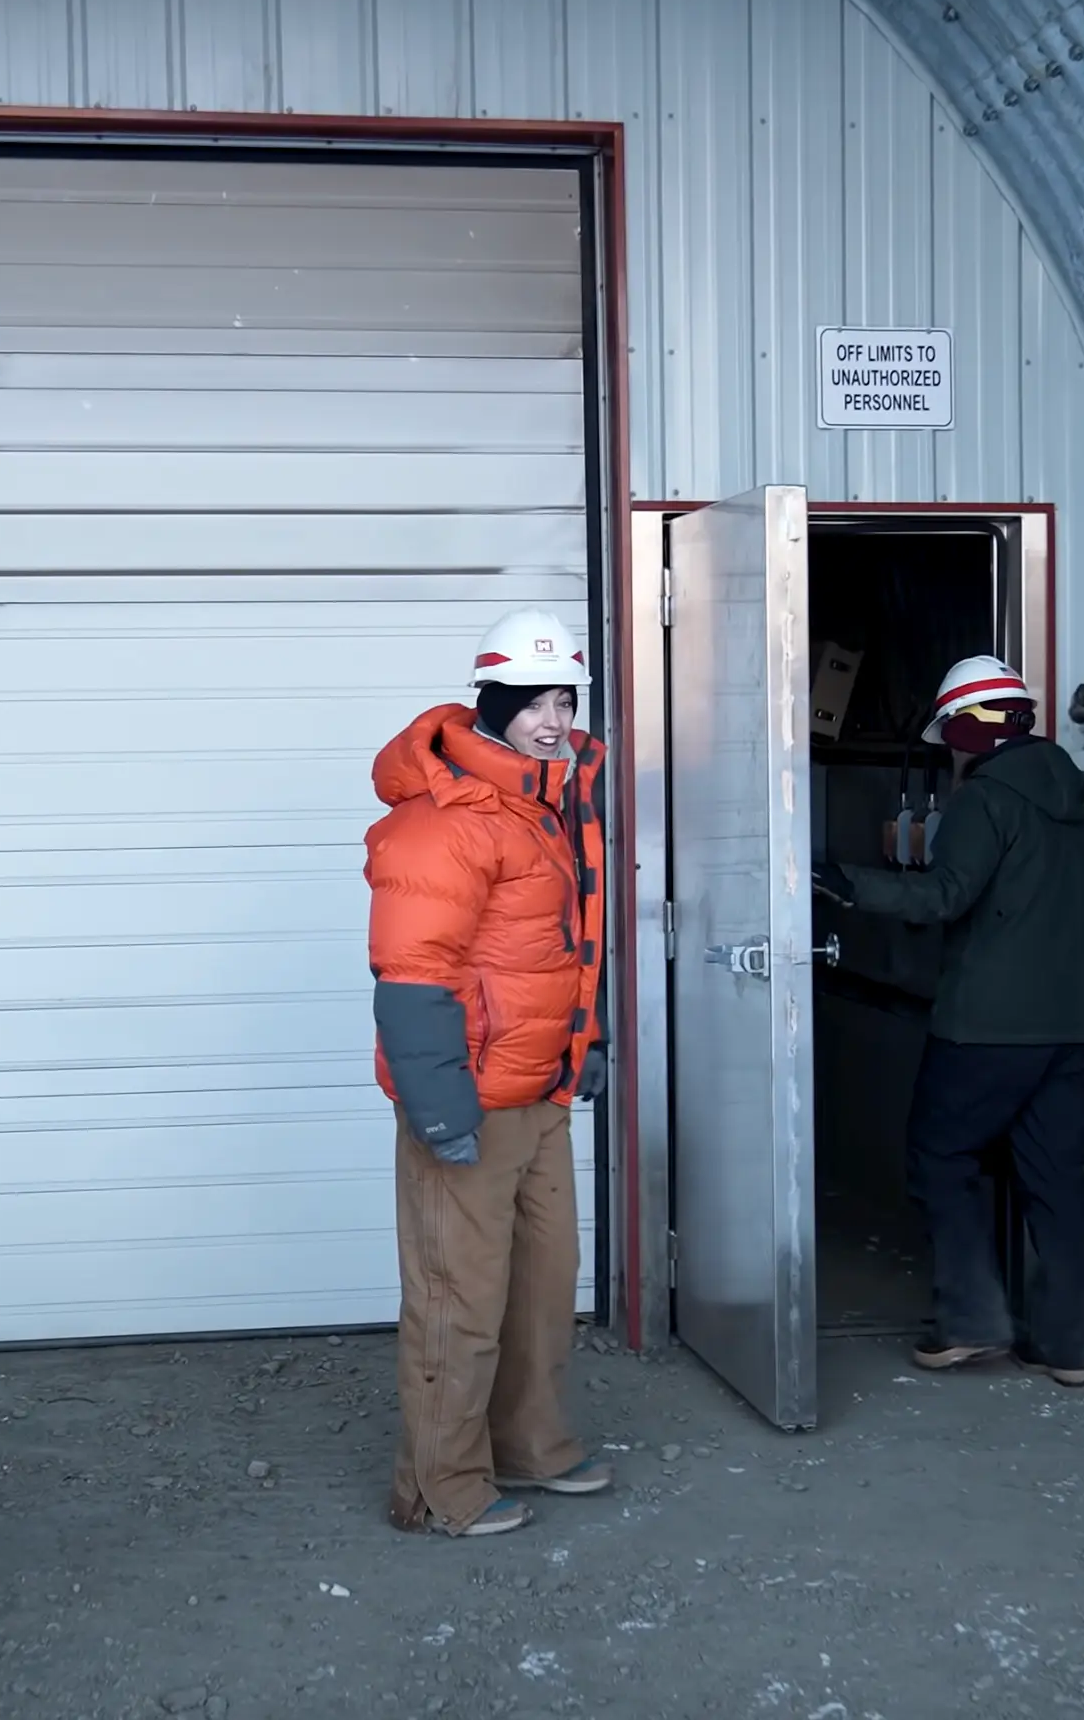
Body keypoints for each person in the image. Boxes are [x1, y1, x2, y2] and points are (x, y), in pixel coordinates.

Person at [364, 608, 617, 1537]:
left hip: (536, 1098)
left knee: (545, 1288)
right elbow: (412, 973)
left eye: (566, 700)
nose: (555, 720)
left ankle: (531, 1445)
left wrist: (579, 1052)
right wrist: (438, 1105)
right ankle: (440, 1488)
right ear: (496, 703)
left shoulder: (543, 809)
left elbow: (559, 951)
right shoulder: (446, 822)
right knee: (457, 1302)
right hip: (466, 1104)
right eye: (538, 702)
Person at [817, 655, 1084, 1386]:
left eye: (951, 733)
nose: (949, 747)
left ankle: (971, 1320)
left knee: (942, 1159)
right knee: (1055, 1179)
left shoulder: (986, 801)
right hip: (1073, 1026)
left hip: (988, 1025)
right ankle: (1068, 1345)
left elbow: (946, 896)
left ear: (969, 728)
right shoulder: (1081, 804)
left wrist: (848, 883)